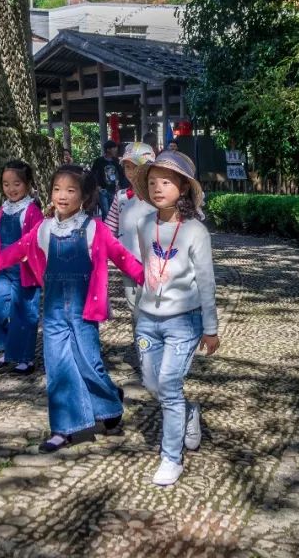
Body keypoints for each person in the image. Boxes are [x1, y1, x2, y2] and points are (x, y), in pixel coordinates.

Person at [0, 165, 144, 452]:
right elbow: (19, 248)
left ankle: (110, 402)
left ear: (84, 196)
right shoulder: (45, 228)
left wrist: (146, 277)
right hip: (54, 313)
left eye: (71, 190)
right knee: (57, 367)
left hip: (83, 314)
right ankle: (63, 429)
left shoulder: (95, 229)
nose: (62, 196)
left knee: (88, 364)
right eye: (57, 189)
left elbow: (121, 255)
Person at [131, 150, 220, 486]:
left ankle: (171, 457)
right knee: (152, 383)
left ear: (183, 188)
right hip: (148, 320)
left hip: (184, 320)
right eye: (152, 182)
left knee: (168, 385)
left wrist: (210, 329)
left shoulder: (196, 231)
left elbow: (207, 282)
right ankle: (188, 412)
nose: (158, 188)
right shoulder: (143, 224)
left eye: (166, 181)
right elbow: (146, 270)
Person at [0, 160, 44, 374]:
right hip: (5, 271)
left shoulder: (32, 211)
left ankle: (25, 359)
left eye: (16, 184)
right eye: (6, 184)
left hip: (26, 272)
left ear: (27, 184)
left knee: (24, 314)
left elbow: (37, 240)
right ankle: (10, 346)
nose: (11, 189)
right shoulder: (4, 209)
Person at [103, 142, 157, 312]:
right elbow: (109, 228)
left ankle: (151, 337)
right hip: (127, 261)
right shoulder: (121, 197)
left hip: (156, 261)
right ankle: (139, 338)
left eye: (136, 167)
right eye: (127, 167)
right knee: (133, 304)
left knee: (153, 303)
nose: (131, 172)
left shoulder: (158, 198)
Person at [90, 140, 123, 218]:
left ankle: (111, 229)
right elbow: (93, 174)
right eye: (114, 148)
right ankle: (106, 230)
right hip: (103, 190)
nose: (116, 150)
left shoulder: (116, 161)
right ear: (108, 149)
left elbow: (121, 174)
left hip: (114, 190)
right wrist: (97, 186)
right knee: (106, 211)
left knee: (113, 212)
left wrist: (119, 185)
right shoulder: (99, 161)